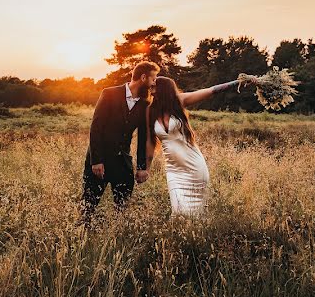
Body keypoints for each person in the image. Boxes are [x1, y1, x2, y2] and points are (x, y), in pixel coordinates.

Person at [145, 75, 241, 217]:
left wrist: (238, 82)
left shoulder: (179, 101)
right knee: (178, 213)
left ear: (163, 89)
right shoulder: (150, 111)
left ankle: (195, 238)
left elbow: (211, 90)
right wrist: (146, 169)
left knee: (197, 216)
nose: (150, 91)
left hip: (194, 167)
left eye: (153, 87)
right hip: (173, 170)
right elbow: (150, 142)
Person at [79, 61, 159, 226]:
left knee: (122, 209)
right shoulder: (109, 93)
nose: (154, 83)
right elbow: (96, 128)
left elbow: (143, 137)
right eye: (153, 79)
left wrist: (142, 167)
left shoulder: (145, 105)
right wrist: (96, 161)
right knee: (88, 206)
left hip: (123, 164)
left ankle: (116, 238)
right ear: (143, 77)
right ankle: (81, 238)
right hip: (99, 162)